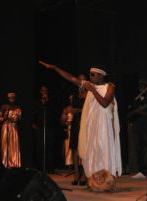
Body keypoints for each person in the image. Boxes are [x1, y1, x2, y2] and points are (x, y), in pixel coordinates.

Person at [39, 61, 122, 191]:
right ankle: (95, 183)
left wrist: (92, 89)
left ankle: (107, 182)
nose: (91, 77)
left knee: (105, 152)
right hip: (91, 125)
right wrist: (55, 68)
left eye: (93, 75)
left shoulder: (110, 86)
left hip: (104, 126)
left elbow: (105, 103)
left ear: (101, 75)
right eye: (90, 74)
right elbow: (71, 78)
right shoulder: (89, 85)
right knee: (92, 154)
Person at [126, 77, 147, 179]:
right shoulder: (136, 98)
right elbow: (131, 112)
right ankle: (142, 171)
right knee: (139, 148)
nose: (141, 87)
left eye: (143, 85)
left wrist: (143, 113)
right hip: (138, 126)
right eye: (140, 85)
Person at [60, 73, 88, 185]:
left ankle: (85, 175)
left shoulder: (90, 94)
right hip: (76, 122)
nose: (81, 83)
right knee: (75, 148)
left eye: (83, 80)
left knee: (85, 150)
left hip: (86, 122)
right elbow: (71, 109)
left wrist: (79, 111)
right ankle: (76, 174)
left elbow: (93, 110)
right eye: (79, 80)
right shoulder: (75, 95)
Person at [32, 86, 57, 173]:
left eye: (46, 91)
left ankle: (50, 168)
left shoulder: (51, 102)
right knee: (40, 147)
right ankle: (40, 167)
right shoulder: (36, 102)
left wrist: (47, 101)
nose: (44, 92)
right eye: (43, 90)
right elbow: (33, 113)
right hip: (39, 127)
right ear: (40, 92)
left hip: (50, 127)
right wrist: (33, 123)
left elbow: (54, 113)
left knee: (50, 147)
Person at [0, 92, 22, 168]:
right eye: (10, 98)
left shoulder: (18, 108)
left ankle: (14, 162)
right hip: (6, 126)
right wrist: (2, 118)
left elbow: (20, 120)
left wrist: (16, 119)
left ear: (15, 99)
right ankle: (5, 162)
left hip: (13, 127)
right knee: (5, 144)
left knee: (13, 144)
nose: (11, 99)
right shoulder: (4, 107)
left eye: (13, 98)